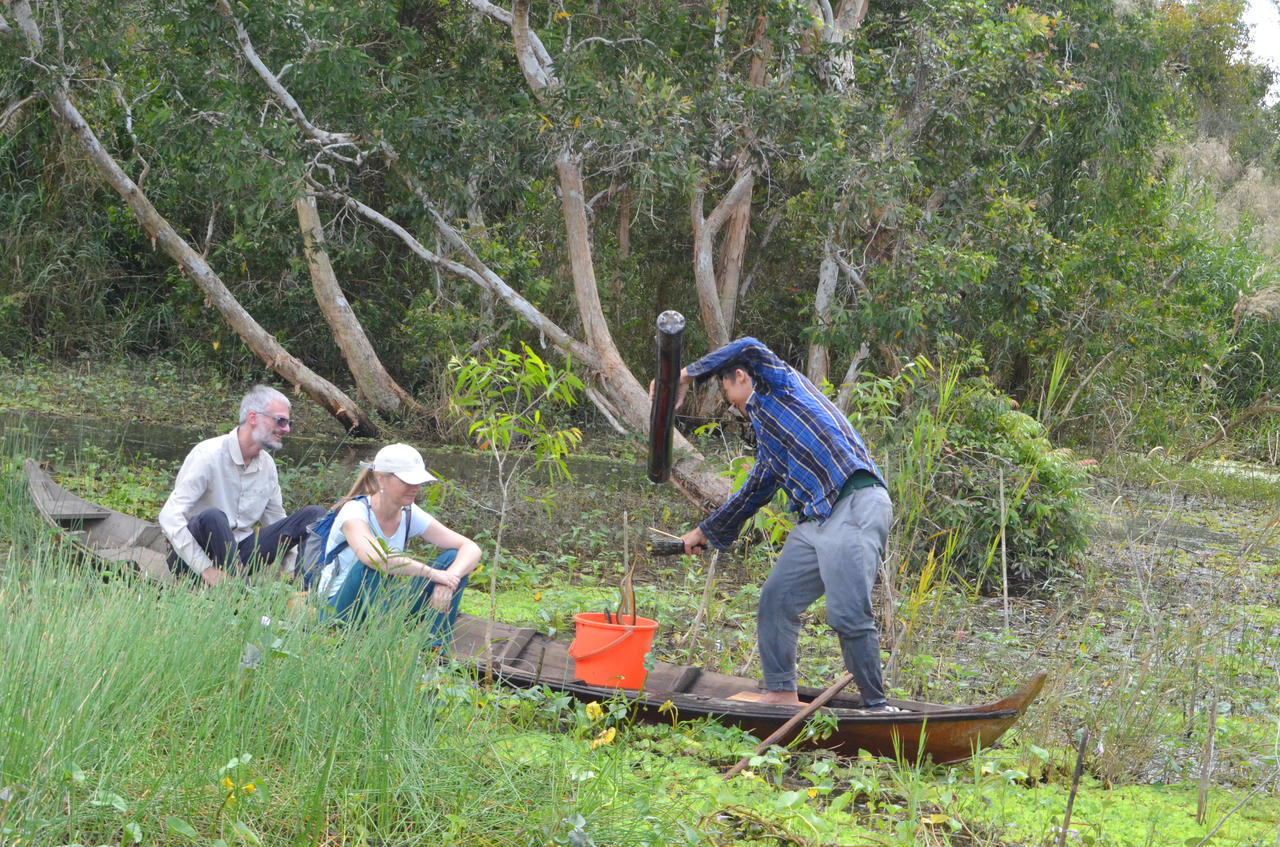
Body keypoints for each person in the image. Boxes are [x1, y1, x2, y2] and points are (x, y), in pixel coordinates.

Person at [670, 337, 895, 710]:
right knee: (776, 600)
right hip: (816, 522)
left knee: (846, 614)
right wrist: (702, 533)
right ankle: (780, 692)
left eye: (732, 398)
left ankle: (877, 708)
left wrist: (685, 375)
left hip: (853, 503)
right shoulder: (769, 441)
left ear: (741, 377)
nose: (738, 410)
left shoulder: (780, 385)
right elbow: (750, 494)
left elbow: (749, 345)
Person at [159, 384, 325, 586]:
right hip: (193, 557)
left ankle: (301, 591)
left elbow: (277, 523)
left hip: (240, 553)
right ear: (253, 418)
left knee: (314, 515)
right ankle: (240, 593)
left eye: (288, 423)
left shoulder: (268, 466)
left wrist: (288, 568)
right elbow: (168, 516)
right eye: (280, 421)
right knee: (214, 517)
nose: (287, 429)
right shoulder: (208, 454)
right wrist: (206, 568)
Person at [317, 443, 481, 644]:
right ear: (381, 479)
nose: (416, 488)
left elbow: (471, 548)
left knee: (453, 560)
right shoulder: (354, 511)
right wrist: (432, 573)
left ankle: (434, 650)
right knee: (372, 568)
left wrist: (448, 579)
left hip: (383, 605)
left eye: (418, 481)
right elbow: (376, 558)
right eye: (407, 481)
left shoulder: (410, 512)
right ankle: (386, 646)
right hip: (339, 609)